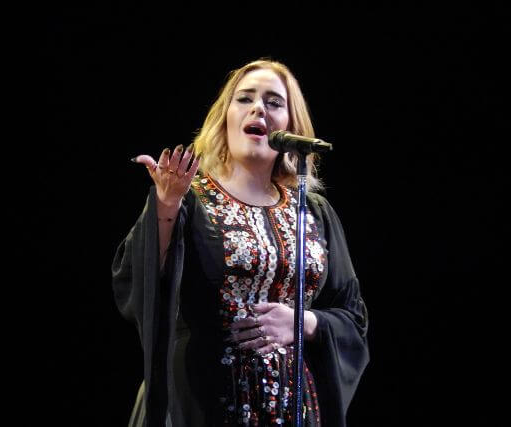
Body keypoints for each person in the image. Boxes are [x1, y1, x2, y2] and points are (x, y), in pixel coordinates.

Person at [112, 59, 369, 426]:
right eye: (245, 99)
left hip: (292, 407)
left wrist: (304, 322)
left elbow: (352, 317)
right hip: (203, 399)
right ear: (226, 118)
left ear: (291, 126)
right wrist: (167, 205)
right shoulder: (189, 198)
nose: (258, 108)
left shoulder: (312, 211)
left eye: (274, 102)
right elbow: (142, 284)